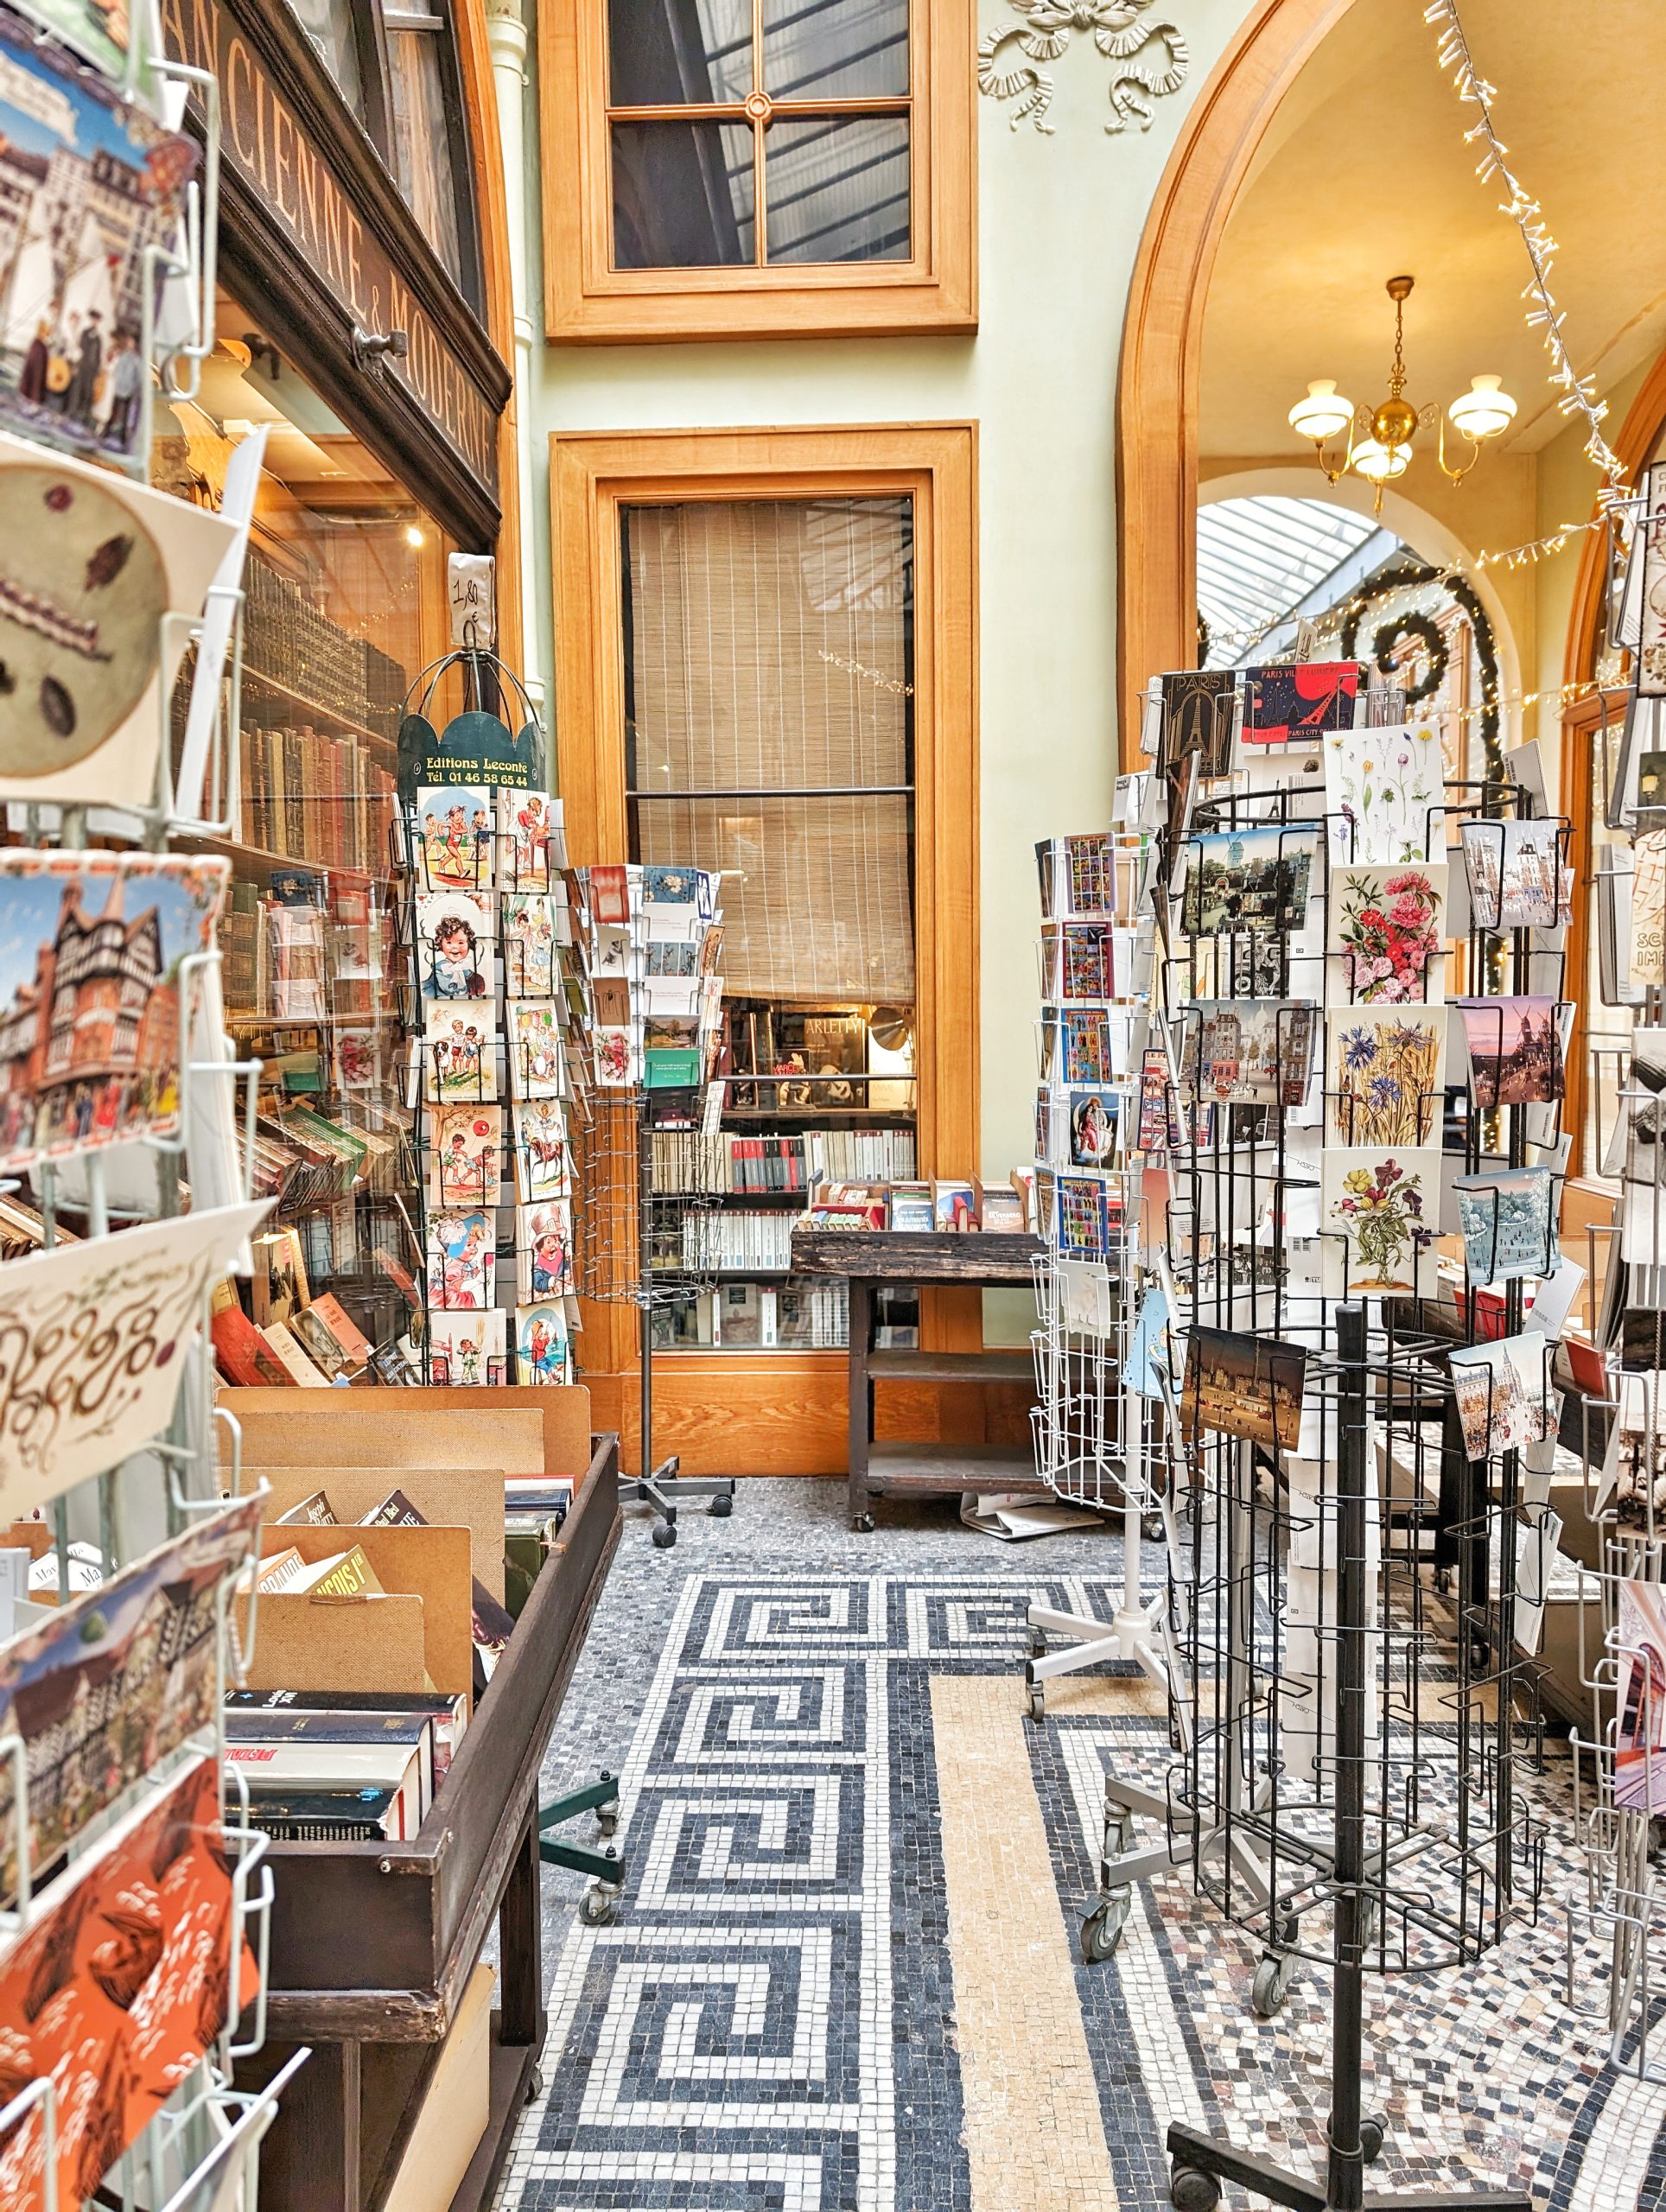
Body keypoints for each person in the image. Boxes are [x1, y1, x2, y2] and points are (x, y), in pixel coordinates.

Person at [105, 330, 143, 450]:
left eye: (131, 341)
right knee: (114, 411)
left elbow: (138, 377)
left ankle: (123, 438)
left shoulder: (136, 360)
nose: (129, 343)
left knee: (125, 415)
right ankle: (107, 432)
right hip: (118, 388)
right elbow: (117, 369)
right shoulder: (123, 355)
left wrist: (134, 389)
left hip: (128, 391)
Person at [67, 312, 102, 429]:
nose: (94, 322)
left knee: (87, 393)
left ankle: (83, 416)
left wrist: (96, 371)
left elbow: (97, 356)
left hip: (91, 370)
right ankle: (72, 412)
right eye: (93, 320)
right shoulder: (85, 333)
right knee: (77, 389)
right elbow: (81, 348)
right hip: (82, 366)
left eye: (96, 320)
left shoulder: (98, 338)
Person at [18, 321, 48, 407]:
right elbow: (37, 375)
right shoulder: (39, 348)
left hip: (25, 390)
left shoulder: (36, 345)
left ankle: (33, 399)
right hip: (30, 394)